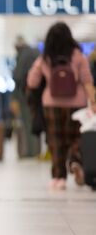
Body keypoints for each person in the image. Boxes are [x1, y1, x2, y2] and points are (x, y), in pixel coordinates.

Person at [27, 22, 96, 190]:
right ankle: (74, 160)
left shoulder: (45, 58)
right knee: (76, 137)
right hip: (77, 104)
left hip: (51, 103)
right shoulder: (78, 55)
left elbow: (32, 81)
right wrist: (93, 102)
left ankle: (59, 178)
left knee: (56, 141)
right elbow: (87, 81)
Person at [12, 36, 41, 158]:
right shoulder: (36, 52)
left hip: (25, 94)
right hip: (38, 94)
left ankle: (30, 152)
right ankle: (37, 151)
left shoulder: (23, 55)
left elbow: (17, 76)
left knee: (28, 122)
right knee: (36, 122)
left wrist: (14, 97)